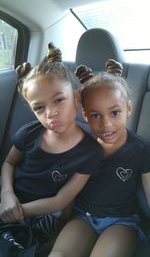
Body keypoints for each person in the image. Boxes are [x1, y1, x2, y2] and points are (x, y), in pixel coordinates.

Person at [0, 43, 102, 249]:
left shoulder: (90, 151)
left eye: (59, 100)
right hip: (9, 199)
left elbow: (60, 201)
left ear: (76, 97)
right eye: (39, 108)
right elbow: (9, 163)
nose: (50, 113)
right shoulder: (29, 133)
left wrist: (16, 211)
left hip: (42, 213)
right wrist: (7, 195)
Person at [48, 59, 150, 257]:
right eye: (96, 115)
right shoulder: (81, 145)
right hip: (83, 218)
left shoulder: (142, 149)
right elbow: (71, 190)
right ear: (85, 116)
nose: (106, 124)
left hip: (121, 222)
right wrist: (61, 222)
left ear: (128, 109)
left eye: (115, 113)